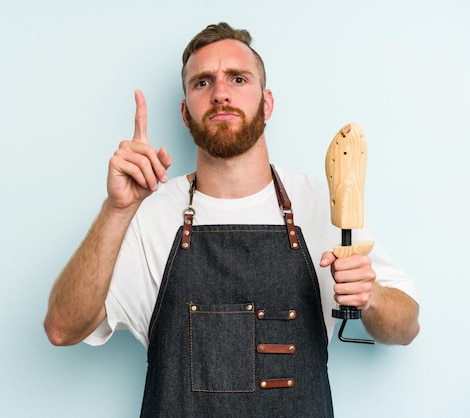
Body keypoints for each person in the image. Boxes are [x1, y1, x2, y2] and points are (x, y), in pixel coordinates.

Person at [44, 22, 420, 417]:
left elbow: (407, 325)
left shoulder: (323, 203)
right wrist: (117, 209)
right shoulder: (148, 214)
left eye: (237, 79)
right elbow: (62, 328)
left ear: (267, 102)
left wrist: (372, 295)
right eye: (202, 83)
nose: (220, 93)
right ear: (185, 113)